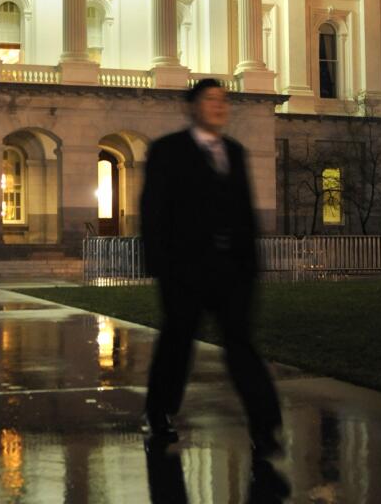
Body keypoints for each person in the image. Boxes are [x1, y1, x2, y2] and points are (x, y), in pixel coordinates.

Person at [140, 78, 289, 500]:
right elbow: (153, 212)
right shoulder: (168, 151)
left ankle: (267, 428)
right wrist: (161, 267)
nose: (219, 106)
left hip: (230, 274)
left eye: (223, 100)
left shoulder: (236, 153)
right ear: (192, 107)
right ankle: (160, 411)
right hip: (184, 271)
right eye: (210, 99)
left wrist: (250, 268)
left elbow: (245, 215)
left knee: (242, 348)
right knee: (176, 345)